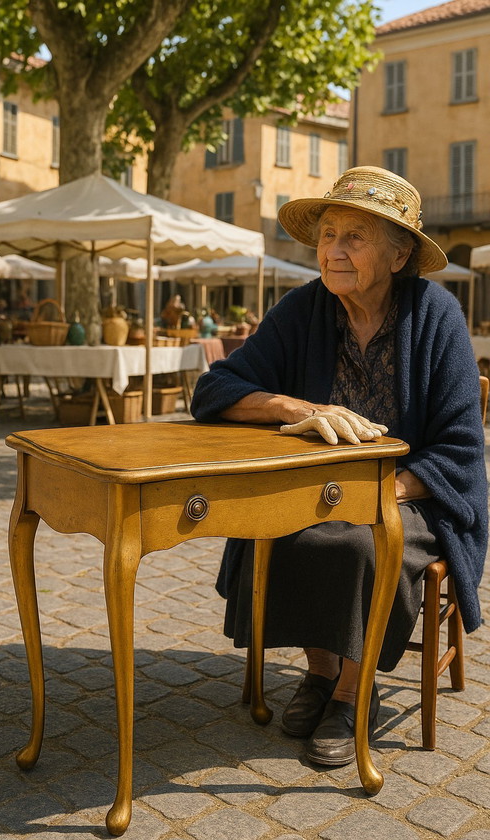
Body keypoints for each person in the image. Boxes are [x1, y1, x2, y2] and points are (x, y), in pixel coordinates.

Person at [190, 166, 488, 766]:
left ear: (399, 254)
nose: (333, 250)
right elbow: (214, 389)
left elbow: (460, 450)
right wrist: (295, 405)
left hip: (416, 493)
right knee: (272, 529)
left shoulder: (436, 316)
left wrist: (380, 494)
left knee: (358, 544)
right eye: (327, 235)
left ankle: (354, 695)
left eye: (355, 237)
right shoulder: (303, 310)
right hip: (316, 489)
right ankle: (322, 675)